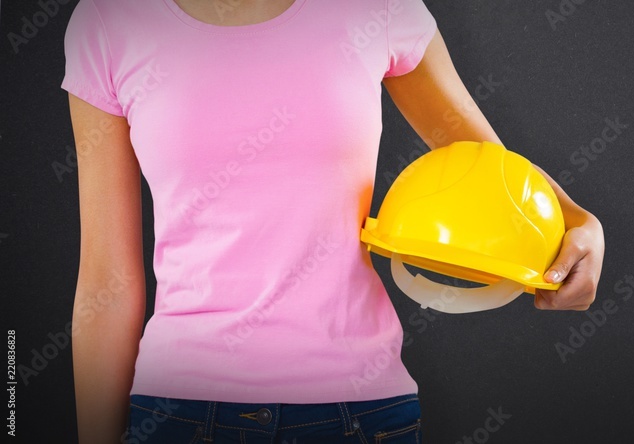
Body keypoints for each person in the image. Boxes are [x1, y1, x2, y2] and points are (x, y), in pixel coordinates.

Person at [63, 0, 606, 442]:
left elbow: (489, 172)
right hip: (178, 414)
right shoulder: (110, 22)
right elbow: (107, 281)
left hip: (360, 414)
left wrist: (581, 223)